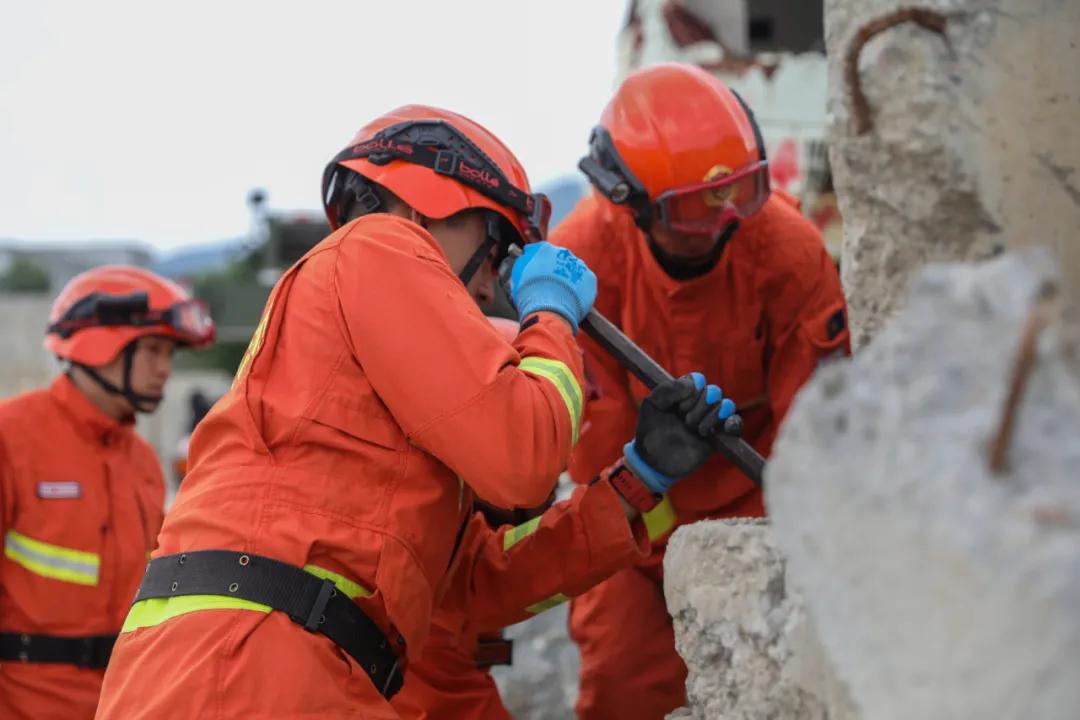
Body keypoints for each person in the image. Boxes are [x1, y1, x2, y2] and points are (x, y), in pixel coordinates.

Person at [94, 105, 603, 719]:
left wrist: (641, 485)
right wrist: (548, 316)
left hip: (263, 661)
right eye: (495, 247)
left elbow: (474, 584)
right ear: (423, 207)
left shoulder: (379, 402)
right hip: (258, 664)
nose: (492, 286)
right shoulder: (380, 244)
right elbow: (523, 455)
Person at [552, 62, 851, 719]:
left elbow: (816, 434)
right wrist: (665, 545)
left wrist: (776, 549)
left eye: (742, 193)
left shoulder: (790, 253)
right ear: (627, 199)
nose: (722, 221)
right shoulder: (581, 266)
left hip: (760, 510)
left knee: (787, 687)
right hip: (636, 510)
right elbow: (592, 447)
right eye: (692, 209)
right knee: (620, 688)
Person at [389, 318, 705, 720]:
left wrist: (642, 476)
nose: (554, 478)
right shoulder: (426, 593)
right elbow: (517, 570)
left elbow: (527, 559)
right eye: (548, 448)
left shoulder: (437, 535)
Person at [0, 266, 215, 720]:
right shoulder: (11, 436)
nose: (165, 369)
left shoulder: (141, 461)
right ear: (102, 346)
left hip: (122, 702)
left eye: (169, 354)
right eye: (154, 349)